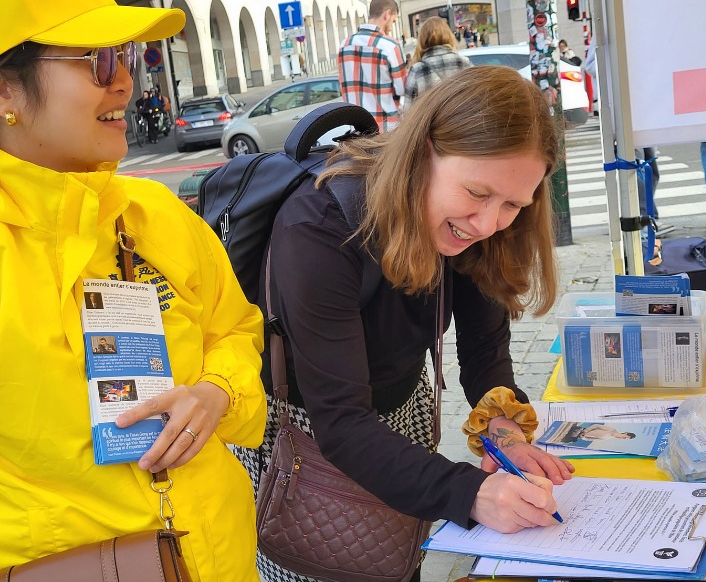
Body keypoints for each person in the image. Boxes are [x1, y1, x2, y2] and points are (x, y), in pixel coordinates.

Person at [0, 0, 266, 580]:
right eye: (98, 60)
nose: (125, 83)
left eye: (128, 58)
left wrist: (216, 391)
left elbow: (236, 328)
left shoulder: (155, 212)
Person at [234, 65, 575, 582]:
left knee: (397, 562)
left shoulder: (481, 226)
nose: (487, 225)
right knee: (323, 567)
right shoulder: (318, 223)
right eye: (477, 194)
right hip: (306, 437)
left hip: (399, 414)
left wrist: (505, 433)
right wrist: (470, 492)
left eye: (512, 205)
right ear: (425, 149)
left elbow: (485, 351)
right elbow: (343, 424)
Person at [338, 0, 407, 131]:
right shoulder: (390, 46)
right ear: (387, 14)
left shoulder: (344, 45)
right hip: (387, 127)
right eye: (393, 21)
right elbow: (402, 88)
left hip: (358, 128)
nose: (391, 27)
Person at [404, 16, 472, 105]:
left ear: (422, 39)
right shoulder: (464, 63)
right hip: (460, 118)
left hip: (431, 118)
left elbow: (408, 110)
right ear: (448, 35)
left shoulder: (417, 70)